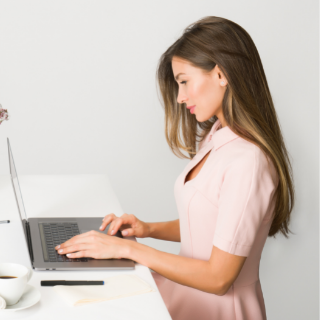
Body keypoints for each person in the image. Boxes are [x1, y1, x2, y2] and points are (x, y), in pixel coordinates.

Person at [55, 16, 294, 320]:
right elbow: (211, 225)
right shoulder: (218, 136)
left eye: (184, 81)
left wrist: (130, 250)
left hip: (220, 309)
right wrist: (147, 229)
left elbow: (219, 279)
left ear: (220, 74)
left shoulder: (249, 162)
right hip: (185, 295)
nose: (180, 97)